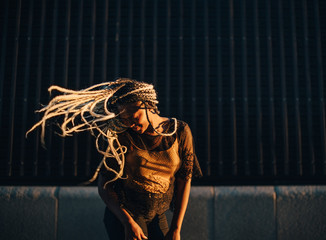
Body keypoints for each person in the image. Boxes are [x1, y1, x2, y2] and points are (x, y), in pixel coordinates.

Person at [26, 78, 202, 240]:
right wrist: (127, 222)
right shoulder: (120, 135)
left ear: (147, 105)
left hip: (157, 215)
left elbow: (184, 180)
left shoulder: (179, 131)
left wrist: (176, 228)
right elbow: (104, 185)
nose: (129, 124)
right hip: (125, 214)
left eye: (133, 117)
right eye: (124, 119)